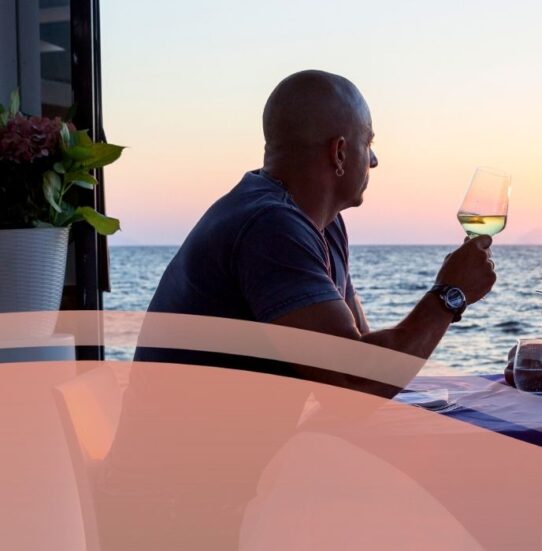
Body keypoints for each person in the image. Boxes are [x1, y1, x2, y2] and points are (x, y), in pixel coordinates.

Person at [135, 69, 496, 395]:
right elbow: (356, 382)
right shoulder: (271, 227)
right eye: (367, 143)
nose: (373, 161)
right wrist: (450, 295)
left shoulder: (322, 224)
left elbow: (358, 356)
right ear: (339, 153)